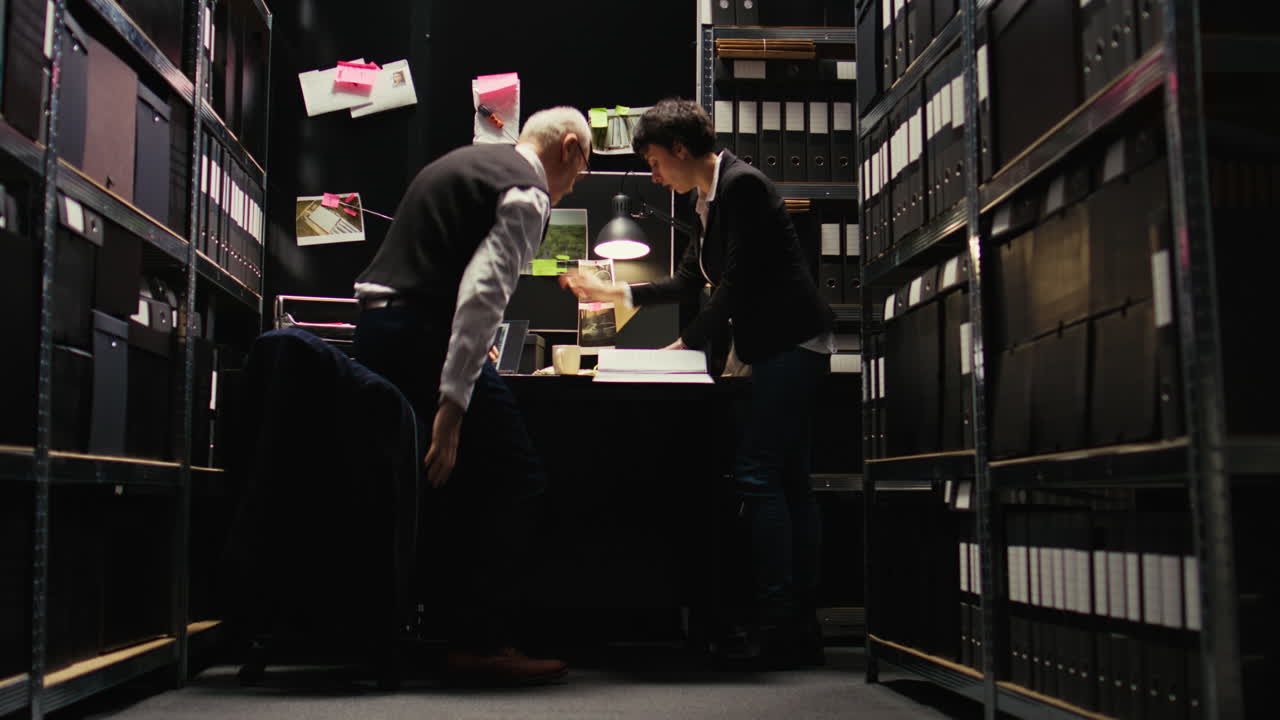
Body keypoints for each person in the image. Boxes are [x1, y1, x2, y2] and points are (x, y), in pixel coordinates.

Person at [560, 99, 834, 668]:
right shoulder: (711, 196)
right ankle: (797, 626)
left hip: (790, 344)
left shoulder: (742, 188)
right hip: (778, 346)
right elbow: (694, 278)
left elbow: (734, 285)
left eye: (656, 162)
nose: (655, 175)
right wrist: (622, 295)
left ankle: (779, 622)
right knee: (787, 479)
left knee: (762, 475)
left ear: (680, 151)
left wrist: (686, 345)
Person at [351, 107, 593, 686]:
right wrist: (453, 409)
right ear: (568, 148)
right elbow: (484, 294)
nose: (568, 190)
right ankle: (481, 642)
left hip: (383, 329)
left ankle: (432, 632)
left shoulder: (465, 161)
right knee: (517, 478)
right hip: (419, 336)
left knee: (439, 485)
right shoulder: (527, 191)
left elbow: (438, 265)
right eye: (580, 176)